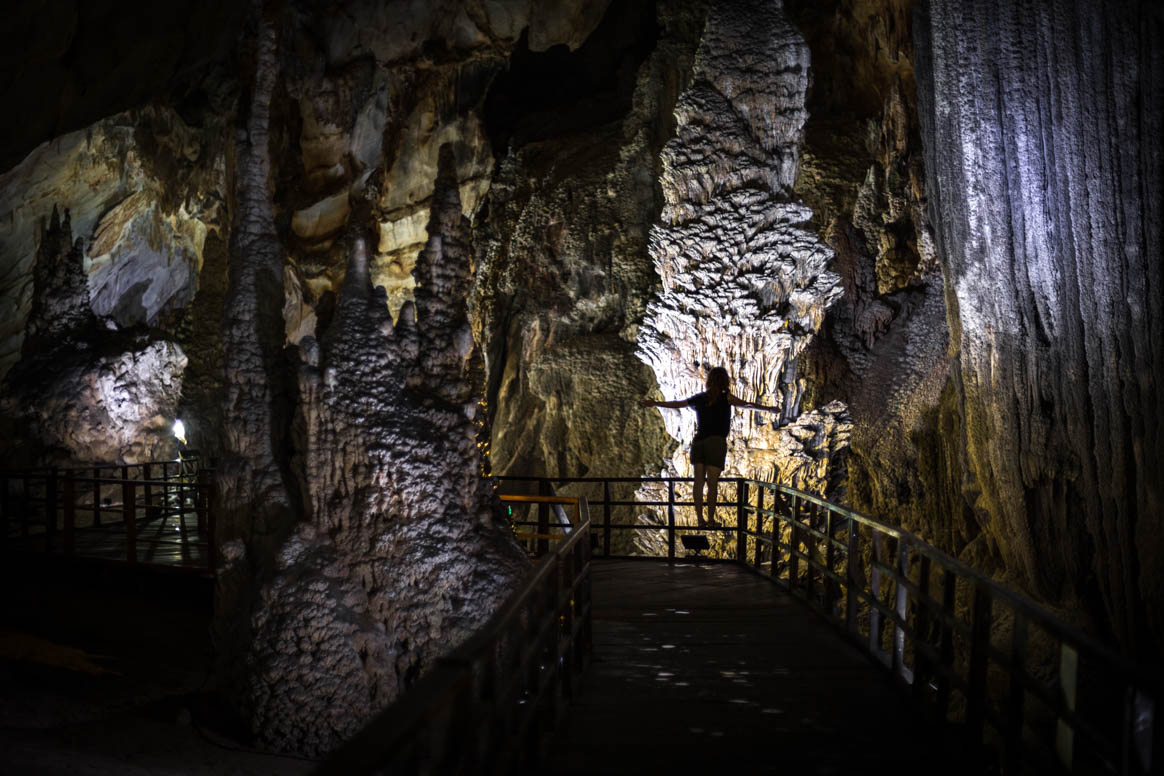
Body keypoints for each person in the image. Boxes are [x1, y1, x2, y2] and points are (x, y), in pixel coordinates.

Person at [640, 367, 779, 529]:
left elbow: (677, 404)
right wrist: (768, 408)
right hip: (716, 442)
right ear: (725, 382)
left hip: (698, 443)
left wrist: (655, 403)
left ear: (709, 381)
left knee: (698, 483)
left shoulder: (700, 398)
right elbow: (747, 405)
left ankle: (700, 519)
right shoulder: (725, 397)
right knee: (712, 484)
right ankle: (711, 520)